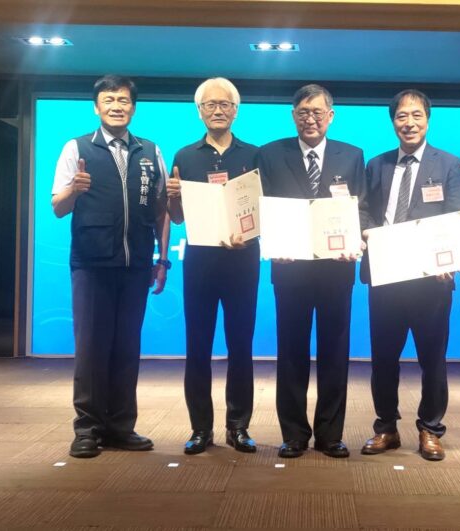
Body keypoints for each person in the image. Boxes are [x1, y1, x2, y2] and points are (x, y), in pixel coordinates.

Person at [51, 74, 170, 459]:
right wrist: (75, 189)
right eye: (109, 100)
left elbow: (161, 210)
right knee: (91, 348)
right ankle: (88, 429)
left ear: (133, 107)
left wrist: (162, 259)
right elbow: (58, 207)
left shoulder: (150, 151)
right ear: (96, 107)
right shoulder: (77, 147)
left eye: (123, 100)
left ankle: (121, 427)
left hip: (136, 265)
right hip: (91, 264)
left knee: (126, 347)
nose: (116, 106)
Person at [256, 84, 365, 459]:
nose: (310, 119)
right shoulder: (270, 154)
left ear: (330, 116)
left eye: (317, 112)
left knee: (335, 351)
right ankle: (294, 434)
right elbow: (262, 208)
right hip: (290, 270)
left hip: (337, 269)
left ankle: (330, 434)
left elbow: (362, 208)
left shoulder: (352, 155)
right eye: (303, 112)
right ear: (293, 116)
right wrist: (273, 242)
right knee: (291, 352)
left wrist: (356, 239)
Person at [358, 89, 460, 461]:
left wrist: (447, 259)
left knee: (432, 359)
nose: (409, 123)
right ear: (393, 122)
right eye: (402, 116)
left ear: (427, 120)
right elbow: (365, 211)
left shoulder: (448, 164)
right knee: (383, 359)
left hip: (430, 281)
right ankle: (386, 427)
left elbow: (456, 214)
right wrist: (366, 231)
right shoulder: (376, 164)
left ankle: (430, 429)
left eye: (416, 115)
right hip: (386, 275)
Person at [166, 78, 259, 455]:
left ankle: (239, 427)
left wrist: (249, 234)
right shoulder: (184, 155)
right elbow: (176, 217)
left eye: (225, 104)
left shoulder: (255, 155)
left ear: (236, 110)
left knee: (241, 346)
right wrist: (173, 198)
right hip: (200, 263)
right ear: (199, 111)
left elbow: (262, 210)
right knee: (198, 346)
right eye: (210, 105)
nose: (218, 110)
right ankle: (200, 428)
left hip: (243, 261)